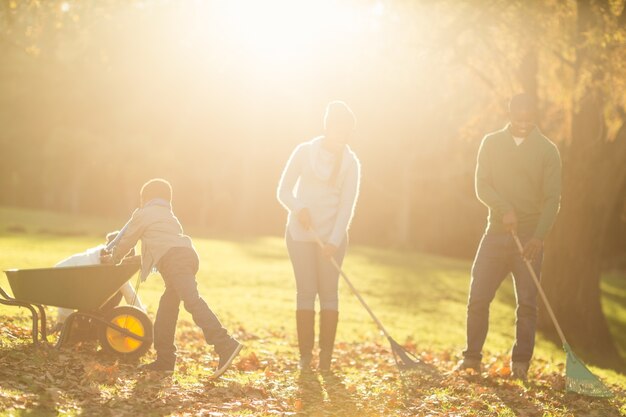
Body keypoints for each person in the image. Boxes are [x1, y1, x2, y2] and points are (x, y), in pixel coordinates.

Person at [457, 93, 562, 380]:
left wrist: (539, 237)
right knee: (478, 297)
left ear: (535, 117)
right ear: (509, 114)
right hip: (495, 234)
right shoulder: (491, 143)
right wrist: (504, 209)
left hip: (529, 239)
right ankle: (471, 358)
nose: (524, 124)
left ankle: (520, 364)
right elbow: (482, 185)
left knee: (527, 304)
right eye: (519, 119)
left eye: (529, 119)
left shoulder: (547, 150)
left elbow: (553, 199)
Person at [103, 178, 242, 376]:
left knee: (191, 301)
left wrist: (114, 257)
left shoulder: (144, 213)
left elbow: (127, 239)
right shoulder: (167, 214)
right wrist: (127, 260)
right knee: (167, 308)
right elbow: (155, 247)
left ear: (145, 199)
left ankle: (225, 344)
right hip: (185, 257)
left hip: (175, 261)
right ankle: (165, 360)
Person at [277, 101, 361, 371]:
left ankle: (325, 358)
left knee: (329, 295)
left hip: (332, 238)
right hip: (301, 234)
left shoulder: (351, 163)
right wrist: (299, 207)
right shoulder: (304, 152)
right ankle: (305, 357)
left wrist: (334, 241)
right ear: (328, 126)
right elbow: (283, 190)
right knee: (306, 292)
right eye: (338, 127)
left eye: (347, 129)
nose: (342, 133)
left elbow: (347, 206)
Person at [52, 231, 146, 332]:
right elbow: (68, 292)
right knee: (86, 293)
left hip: (87, 295)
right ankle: (72, 324)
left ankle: (98, 323)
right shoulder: (88, 263)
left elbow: (129, 292)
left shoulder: (113, 267)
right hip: (61, 279)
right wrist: (64, 320)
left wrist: (143, 319)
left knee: (118, 288)